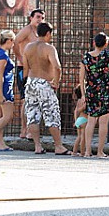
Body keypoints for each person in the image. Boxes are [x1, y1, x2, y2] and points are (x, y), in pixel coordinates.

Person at [24, 21, 70, 155]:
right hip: (44, 84)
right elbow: (57, 67)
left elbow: (26, 68)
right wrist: (56, 81)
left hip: (31, 82)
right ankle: (58, 146)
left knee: (32, 114)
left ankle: (37, 146)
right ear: (48, 33)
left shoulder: (28, 47)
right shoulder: (49, 48)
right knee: (51, 114)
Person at [14, 9, 46, 139]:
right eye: (38, 17)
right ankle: (24, 129)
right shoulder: (27, 30)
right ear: (31, 18)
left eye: (42, 18)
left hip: (36, 69)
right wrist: (20, 58)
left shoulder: (40, 32)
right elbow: (15, 42)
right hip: (24, 68)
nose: (40, 20)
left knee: (35, 100)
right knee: (26, 99)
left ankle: (31, 130)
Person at [72, 86, 88, 156]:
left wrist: (76, 121)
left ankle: (74, 152)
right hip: (84, 119)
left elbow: (75, 111)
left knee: (78, 137)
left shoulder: (78, 101)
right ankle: (82, 152)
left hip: (79, 119)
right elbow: (83, 108)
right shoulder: (85, 100)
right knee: (83, 137)